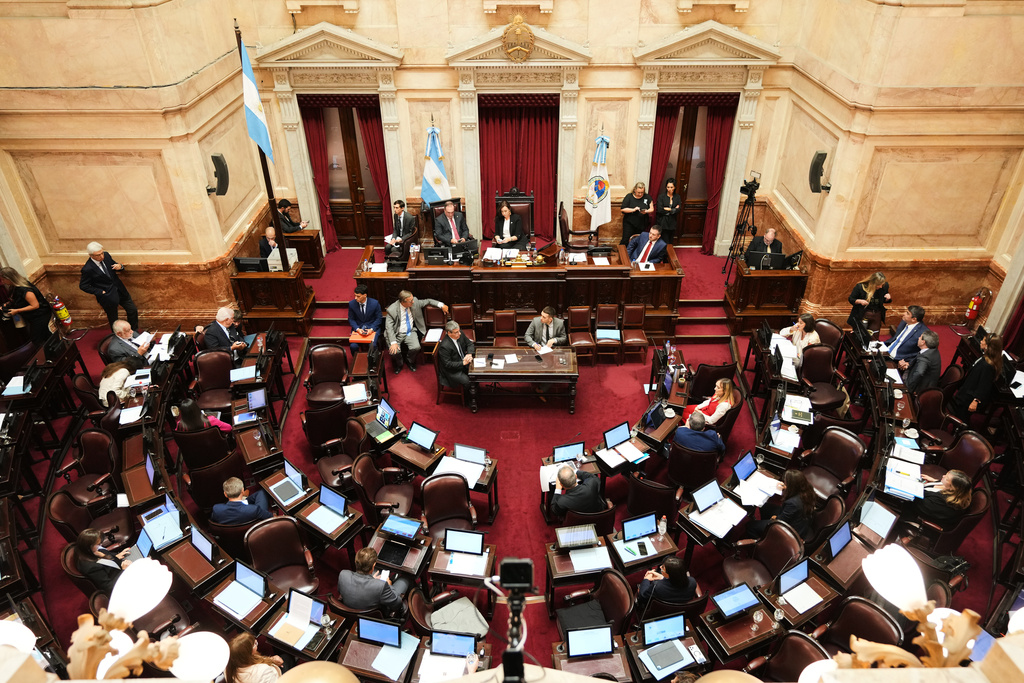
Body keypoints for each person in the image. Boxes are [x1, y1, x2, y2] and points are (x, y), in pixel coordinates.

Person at [79, 242, 139, 331]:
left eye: (102, 253)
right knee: (113, 319)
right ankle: (117, 337)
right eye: (98, 255)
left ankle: (133, 332)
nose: (102, 256)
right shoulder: (87, 269)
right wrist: (100, 292)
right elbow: (83, 285)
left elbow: (115, 266)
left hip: (120, 290)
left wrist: (120, 266)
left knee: (132, 310)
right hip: (108, 296)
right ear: (91, 255)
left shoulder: (106, 256)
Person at [384, 290, 447, 374]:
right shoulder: (392, 310)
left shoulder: (415, 302)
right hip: (396, 333)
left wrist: (441, 305)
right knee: (394, 352)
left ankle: (410, 361)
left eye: (412, 299)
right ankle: (399, 364)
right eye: (410, 301)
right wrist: (393, 342)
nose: (413, 302)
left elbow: (428, 301)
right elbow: (389, 328)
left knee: (416, 347)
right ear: (403, 302)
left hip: (410, 331)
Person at [337, 547, 412, 619]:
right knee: (405, 579)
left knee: (377, 572)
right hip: (374, 615)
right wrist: (389, 585)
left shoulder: (343, 574)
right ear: (373, 566)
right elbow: (397, 604)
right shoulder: (381, 586)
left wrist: (372, 580)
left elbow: (340, 591)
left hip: (350, 611)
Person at [746, 469, 815, 542]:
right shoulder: (807, 489)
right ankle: (765, 532)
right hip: (798, 518)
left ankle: (761, 543)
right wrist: (784, 488)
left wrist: (774, 519)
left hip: (792, 529)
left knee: (750, 526)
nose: (784, 483)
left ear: (791, 486)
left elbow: (781, 521)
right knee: (764, 506)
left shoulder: (793, 503)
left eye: (785, 483)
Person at [950, 333, 1003, 421]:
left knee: (962, 418)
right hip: (967, 389)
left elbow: (984, 386)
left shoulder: (987, 367)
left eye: (983, 340)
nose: (980, 342)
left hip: (969, 398)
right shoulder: (986, 358)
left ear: (987, 346)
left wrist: (976, 401)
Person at [0, 267, 53, 344]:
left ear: (9, 278)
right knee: (45, 334)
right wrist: (8, 304)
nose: (3, 282)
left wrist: (17, 310)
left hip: (40, 315)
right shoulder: (13, 287)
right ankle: (59, 350)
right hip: (33, 316)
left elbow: (35, 305)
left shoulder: (24, 289)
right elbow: (18, 299)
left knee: (36, 339)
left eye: (3, 279)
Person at [75, 528, 131, 594]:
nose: (100, 546)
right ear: (90, 546)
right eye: (98, 544)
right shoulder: (91, 567)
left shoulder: (91, 550)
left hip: (120, 567)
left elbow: (108, 556)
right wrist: (124, 571)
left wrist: (116, 556)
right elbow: (110, 587)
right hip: (120, 583)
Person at [901, 330, 941, 394]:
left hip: (921, 388)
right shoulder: (933, 350)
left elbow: (919, 373)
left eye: (920, 337)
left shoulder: (925, 357)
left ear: (923, 342)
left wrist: (907, 388)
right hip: (926, 381)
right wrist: (908, 365)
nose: (918, 338)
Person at [437, 321, 475, 388]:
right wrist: (462, 363)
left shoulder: (460, 334)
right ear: (449, 333)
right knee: (468, 381)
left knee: (476, 375)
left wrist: (469, 354)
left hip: (462, 361)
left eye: (459, 331)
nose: (459, 333)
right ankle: (468, 396)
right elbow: (448, 364)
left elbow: (469, 344)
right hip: (452, 371)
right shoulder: (444, 346)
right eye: (456, 332)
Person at [348, 284, 383, 355]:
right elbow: (351, 319)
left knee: (373, 346)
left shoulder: (375, 303)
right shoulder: (352, 304)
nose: (355, 298)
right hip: (358, 328)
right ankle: (356, 360)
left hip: (372, 327)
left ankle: (374, 362)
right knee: (353, 346)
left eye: (358, 296)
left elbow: (379, 318)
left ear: (365, 295)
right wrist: (357, 329)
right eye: (355, 295)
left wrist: (372, 329)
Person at [656, 179, 681, 244]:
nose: (669, 189)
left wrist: (669, 209)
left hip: (672, 222)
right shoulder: (661, 197)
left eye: (671, 187)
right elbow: (660, 210)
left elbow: (678, 210)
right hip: (663, 221)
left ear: (674, 187)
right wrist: (673, 209)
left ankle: (669, 253)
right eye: (668, 187)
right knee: (664, 241)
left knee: (670, 241)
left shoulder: (677, 197)